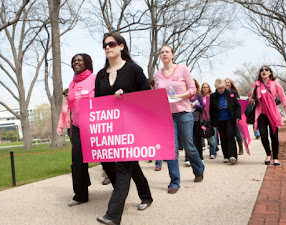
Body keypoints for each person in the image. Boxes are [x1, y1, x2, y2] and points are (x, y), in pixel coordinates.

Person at [96, 32, 153, 225]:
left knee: (123, 167)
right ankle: (146, 196)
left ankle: (113, 215)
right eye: (104, 45)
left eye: (111, 44)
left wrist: (127, 95)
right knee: (126, 166)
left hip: (131, 127)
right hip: (110, 131)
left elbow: (147, 96)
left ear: (121, 46)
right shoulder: (100, 75)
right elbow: (98, 104)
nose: (107, 48)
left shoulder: (133, 70)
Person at [154, 45, 205, 195]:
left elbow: (193, 90)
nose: (164, 54)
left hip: (183, 113)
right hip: (167, 115)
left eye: (167, 52)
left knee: (188, 145)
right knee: (172, 149)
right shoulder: (158, 74)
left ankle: (199, 169)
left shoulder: (183, 69)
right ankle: (174, 182)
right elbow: (157, 94)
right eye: (162, 52)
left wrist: (179, 96)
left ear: (173, 55)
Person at [65, 53, 97, 207]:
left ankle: (119, 187)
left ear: (87, 63)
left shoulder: (94, 79)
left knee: (106, 160)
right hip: (77, 126)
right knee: (77, 160)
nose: (76, 62)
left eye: (79, 60)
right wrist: (71, 128)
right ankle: (80, 194)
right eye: (74, 61)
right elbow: (72, 108)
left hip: (94, 125)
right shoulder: (72, 83)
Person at [248, 66, 286, 166]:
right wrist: (250, 100)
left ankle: (275, 157)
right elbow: (251, 96)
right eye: (261, 70)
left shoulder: (275, 83)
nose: (264, 71)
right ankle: (268, 154)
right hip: (261, 114)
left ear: (270, 73)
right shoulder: (256, 84)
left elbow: (282, 97)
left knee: (274, 135)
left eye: (266, 70)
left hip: (273, 113)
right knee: (263, 134)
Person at [209, 79, 241, 165]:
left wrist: (238, 116)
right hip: (219, 119)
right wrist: (213, 122)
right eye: (219, 88)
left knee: (230, 136)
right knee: (223, 138)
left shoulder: (231, 94)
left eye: (222, 88)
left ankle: (233, 156)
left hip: (230, 118)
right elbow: (211, 110)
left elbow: (237, 106)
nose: (221, 90)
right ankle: (226, 156)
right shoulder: (213, 96)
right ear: (216, 88)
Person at [225, 78, 244, 155]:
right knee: (228, 135)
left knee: (237, 134)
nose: (227, 83)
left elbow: (238, 105)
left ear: (231, 83)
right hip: (226, 116)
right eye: (225, 82)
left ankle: (241, 148)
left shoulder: (234, 93)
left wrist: (237, 116)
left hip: (234, 116)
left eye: (228, 82)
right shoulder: (222, 93)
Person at [201, 83, 219, 159]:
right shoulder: (200, 97)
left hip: (211, 119)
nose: (205, 88)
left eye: (206, 87)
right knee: (203, 135)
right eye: (203, 87)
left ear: (209, 88)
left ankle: (213, 152)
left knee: (212, 137)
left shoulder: (212, 97)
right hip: (202, 120)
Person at [189, 79, 204, 161]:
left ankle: (200, 157)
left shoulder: (198, 95)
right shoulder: (185, 95)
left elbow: (202, 107)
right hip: (187, 119)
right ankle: (188, 158)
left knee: (197, 138)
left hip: (196, 119)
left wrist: (194, 105)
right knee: (188, 139)